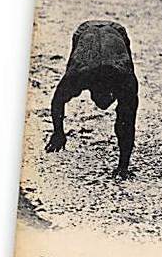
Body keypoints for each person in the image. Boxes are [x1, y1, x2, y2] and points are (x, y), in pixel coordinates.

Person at [44, 20, 138, 179]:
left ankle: (123, 163)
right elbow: (57, 100)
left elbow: (128, 124)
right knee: (126, 111)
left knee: (126, 114)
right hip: (85, 32)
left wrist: (123, 167)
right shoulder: (79, 74)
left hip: (116, 33)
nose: (104, 106)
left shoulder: (125, 78)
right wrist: (58, 132)